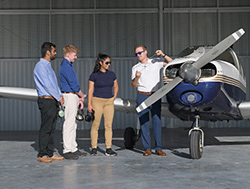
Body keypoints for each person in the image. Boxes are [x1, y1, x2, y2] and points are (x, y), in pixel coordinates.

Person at [131, 45, 172, 156]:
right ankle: (147, 148)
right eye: (136, 54)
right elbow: (134, 85)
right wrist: (137, 77)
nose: (138, 55)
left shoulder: (156, 62)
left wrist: (163, 55)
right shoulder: (135, 68)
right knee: (143, 121)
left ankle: (158, 147)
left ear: (146, 52)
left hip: (155, 95)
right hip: (142, 95)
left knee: (157, 121)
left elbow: (172, 63)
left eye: (140, 53)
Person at [33, 42, 65, 163]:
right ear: (48, 52)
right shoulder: (40, 66)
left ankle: (50, 153)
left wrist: (59, 95)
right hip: (46, 100)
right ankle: (42, 154)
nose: (55, 53)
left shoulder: (48, 66)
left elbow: (54, 84)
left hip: (52, 101)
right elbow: (47, 85)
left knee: (52, 128)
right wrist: (59, 97)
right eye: (54, 51)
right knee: (46, 128)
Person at [59, 45, 87, 160]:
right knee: (69, 123)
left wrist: (78, 96)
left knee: (73, 123)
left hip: (72, 96)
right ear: (68, 54)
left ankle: (73, 148)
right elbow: (73, 84)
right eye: (74, 55)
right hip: (69, 96)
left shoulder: (68, 66)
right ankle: (67, 149)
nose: (75, 57)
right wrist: (81, 94)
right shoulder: (66, 67)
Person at [88, 53, 119, 156]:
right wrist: (89, 104)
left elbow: (116, 86)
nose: (108, 64)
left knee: (108, 126)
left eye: (110, 62)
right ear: (100, 63)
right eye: (106, 62)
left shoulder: (112, 74)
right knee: (95, 125)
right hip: (97, 101)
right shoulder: (94, 75)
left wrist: (113, 97)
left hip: (109, 102)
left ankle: (108, 148)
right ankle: (94, 147)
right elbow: (90, 90)